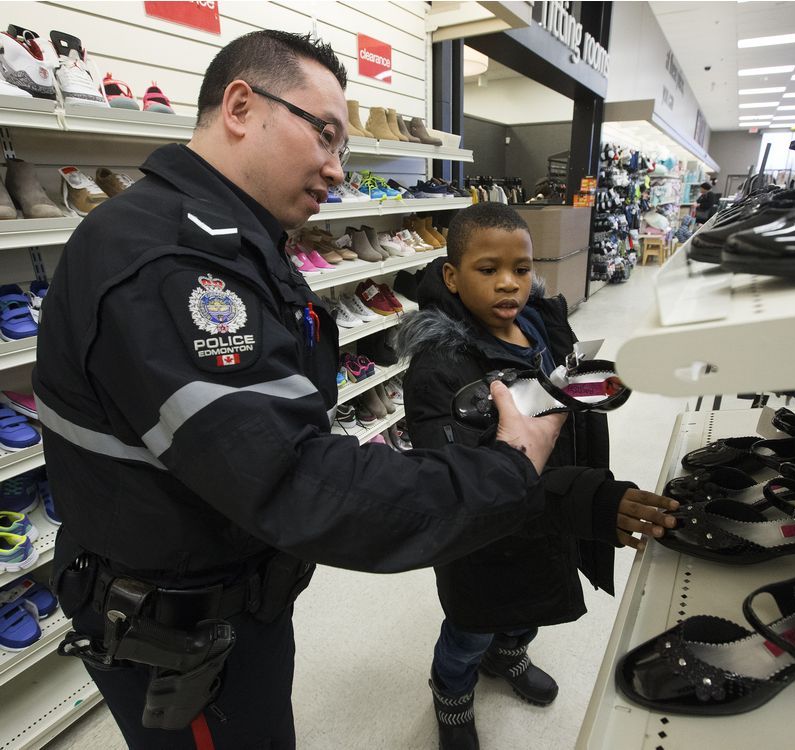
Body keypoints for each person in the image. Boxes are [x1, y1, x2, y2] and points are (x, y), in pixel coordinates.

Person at [32, 31, 570, 750]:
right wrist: (503, 469)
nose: (336, 169)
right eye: (325, 136)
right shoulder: (169, 264)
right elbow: (293, 476)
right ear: (241, 105)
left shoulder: (230, 238)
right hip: (179, 629)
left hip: (225, 592)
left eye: (343, 148)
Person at [395, 202, 679, 750]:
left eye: (521, 270)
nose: (509, 285)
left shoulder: (541, 323)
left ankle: (511, 652)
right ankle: (451, 694)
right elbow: (458, 476)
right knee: (471, 625)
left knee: (536, 599)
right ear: (452, 277)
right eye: (488, 269)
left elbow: (564, 391)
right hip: (484, 536)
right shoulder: (438, 368)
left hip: (550, 509)